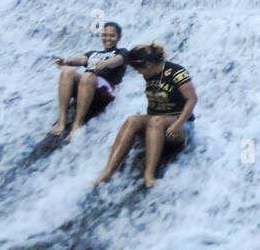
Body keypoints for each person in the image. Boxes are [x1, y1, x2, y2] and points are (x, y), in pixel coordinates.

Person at [92, 42, 196, 189]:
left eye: (139, 69)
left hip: (181, 126)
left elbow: (192, 100)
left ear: (149, 65)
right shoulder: (150, 72)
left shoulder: (177, 73)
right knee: (132, 120)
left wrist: (177, 124)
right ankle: (108, 172)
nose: (138, 73)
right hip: (157, 122)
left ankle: (149, 175)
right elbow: (125, 56)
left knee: (156, 121)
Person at [50, 22, 129, 136]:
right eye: (105, 35)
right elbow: (81, 60)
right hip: (88, 85)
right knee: (67, 71)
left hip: (106, 89)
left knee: (87, 76)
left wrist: (105, 63)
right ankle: (62, 119)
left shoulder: (122, 52)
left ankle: (78, 124)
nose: (108, 38)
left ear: (119, 37)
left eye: (112, 35)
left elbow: (118, 60)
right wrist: (65, 61)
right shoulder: (93, 53)